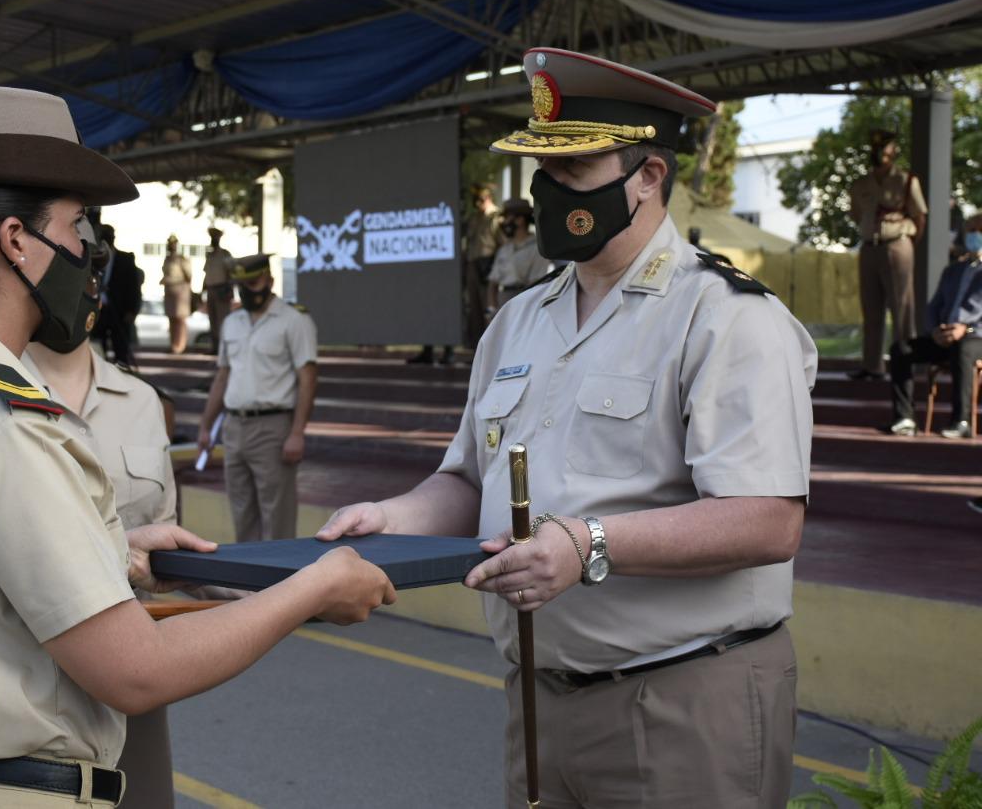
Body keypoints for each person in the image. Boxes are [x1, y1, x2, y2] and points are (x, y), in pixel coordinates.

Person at [0, 84, 395, 808]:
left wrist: (107, 548)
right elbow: (136, 670)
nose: (87, 249)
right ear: (14, 241)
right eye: (74, 225)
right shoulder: (9, 423)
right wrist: (312, 587)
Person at [318, 48, 815, 808]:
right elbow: (467, 480)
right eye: (540, 174)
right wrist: (390, 519)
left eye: (573, 172)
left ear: (649, 175)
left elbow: (767, 520)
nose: (547, 194)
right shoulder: (518, 321)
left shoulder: (726, 318)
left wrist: (588, 547)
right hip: (537, 695)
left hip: (681, 699)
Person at [22, 238, 179, 809]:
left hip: (131, 678)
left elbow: (165, 533)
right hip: (24, 688)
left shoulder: (141, 401)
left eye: (93, 272)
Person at [197, 254, 318, 542]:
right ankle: (248, 587)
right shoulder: (232, 322)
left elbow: (308, 378)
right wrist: (205, 425)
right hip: (234, 427)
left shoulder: (293, 319)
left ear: (270, 280)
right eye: (242, 284)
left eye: (253, 283)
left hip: (273, 428)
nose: (248, 290)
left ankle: (283, 584)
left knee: (278, 518)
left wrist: (297, 432)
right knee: (242, 514)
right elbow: (223, 376)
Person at [887, 218, 982, 439]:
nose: (974, 235)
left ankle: (962, 421)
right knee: (901, 350)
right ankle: (905, 418)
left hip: (975, 338)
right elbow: (934, 307)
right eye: (971, 231)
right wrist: (935, 332)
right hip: (945, 337)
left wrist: (965, 329)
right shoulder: (953, 271)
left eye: (979, 231)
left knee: (964, 350)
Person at [848, 128, 926, 381]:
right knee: (871, 309)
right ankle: (872, 366)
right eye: (876, 147)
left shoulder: (906, 181)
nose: (881, 152)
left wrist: (907, 244)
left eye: (885, 147)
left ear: (894, 151)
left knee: (902, 308)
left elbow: (919, 216)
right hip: (870, 246)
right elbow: (858, 215)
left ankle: (905, 364)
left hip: (897, 245)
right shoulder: (860, 185)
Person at [487, 198, 552, 312]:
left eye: (507, 217)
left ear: (520, 220)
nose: (505, 222)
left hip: (525, 301)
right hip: (503, 301)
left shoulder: (537, 248)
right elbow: (493, 282)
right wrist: (491, 309)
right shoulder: (504, 249)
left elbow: (536, 282)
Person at [87, 222, 138, 365]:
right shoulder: (93, 257)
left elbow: (133, 287)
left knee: (121, 348)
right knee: (97, 348)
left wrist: (132, 310)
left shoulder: (126, 259)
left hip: (119, 310)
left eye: (109, 236)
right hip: (98, 310)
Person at [464, 182, 501, 346]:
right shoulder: (474, 218)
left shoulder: (496, 217)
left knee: (488, 307)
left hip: (488, 265)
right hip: (473, 264)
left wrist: (494, 268)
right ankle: (475, 350)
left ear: (488, 197)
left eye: (480, 198)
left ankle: (490, 348)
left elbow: (501, 244)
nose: (477, 203)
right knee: (475, 309)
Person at [202, 227, 234, 355]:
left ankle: (223, 349)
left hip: (222, 290)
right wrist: (202, 289)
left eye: (215, 238)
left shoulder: (225, 254)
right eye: (212, 238)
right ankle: (215, 347)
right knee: (212, 320)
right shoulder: (209, 255)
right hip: (211, 290)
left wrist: (229, 291)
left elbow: (231, 273)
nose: (213, 241)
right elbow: (206, 274)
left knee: (223, 321)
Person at [160, 234, 192, 354]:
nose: (170, 246)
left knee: (180, 320)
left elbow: (188, 277)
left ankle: (180, 346)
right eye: (169, 244)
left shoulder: (181, 259)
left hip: (180, 294)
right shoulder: (167, 259)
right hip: (169, 293)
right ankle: (173, 344)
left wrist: (171, 281)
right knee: (172, 320)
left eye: (173, 244)